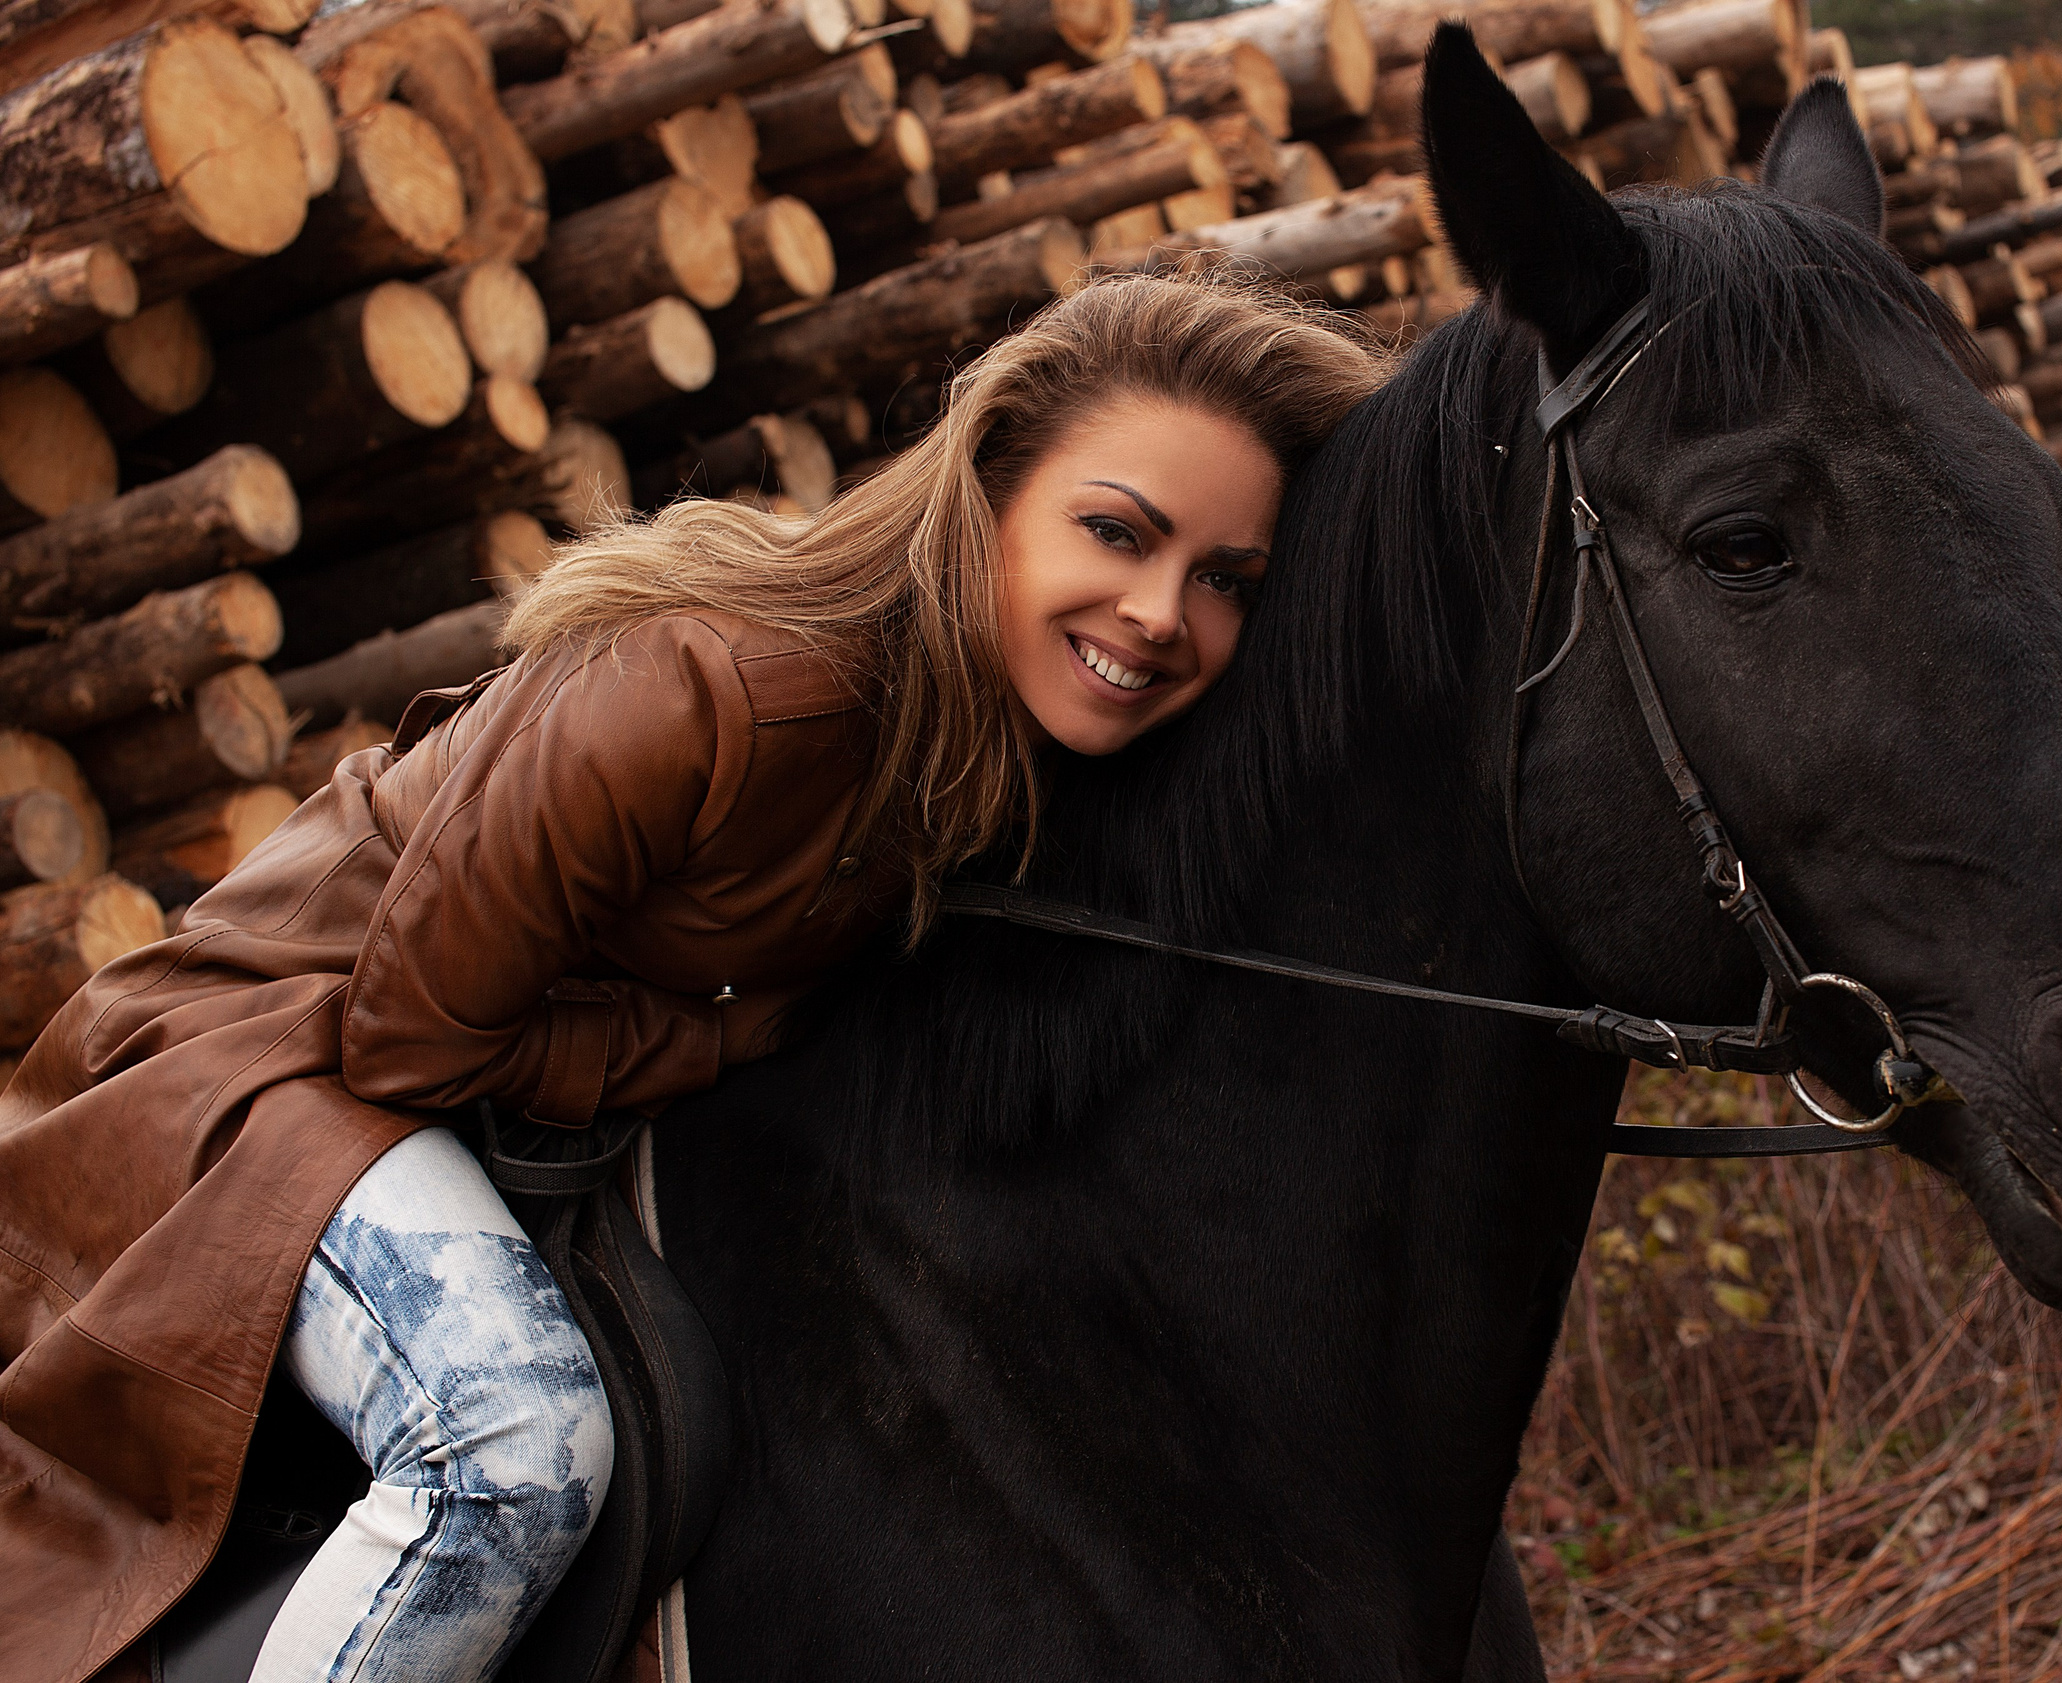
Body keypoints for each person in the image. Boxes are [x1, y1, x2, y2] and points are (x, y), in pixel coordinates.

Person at [0, 272, 1388, 1683]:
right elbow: (408, 1031)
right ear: (984, 493)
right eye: (1116, 531)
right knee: (512, 1448)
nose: (1162, 613)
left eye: (1226, 581)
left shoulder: (997, 749)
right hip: (256, 1069)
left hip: (446, 1088)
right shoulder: (719, 684)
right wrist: (719, 1035)